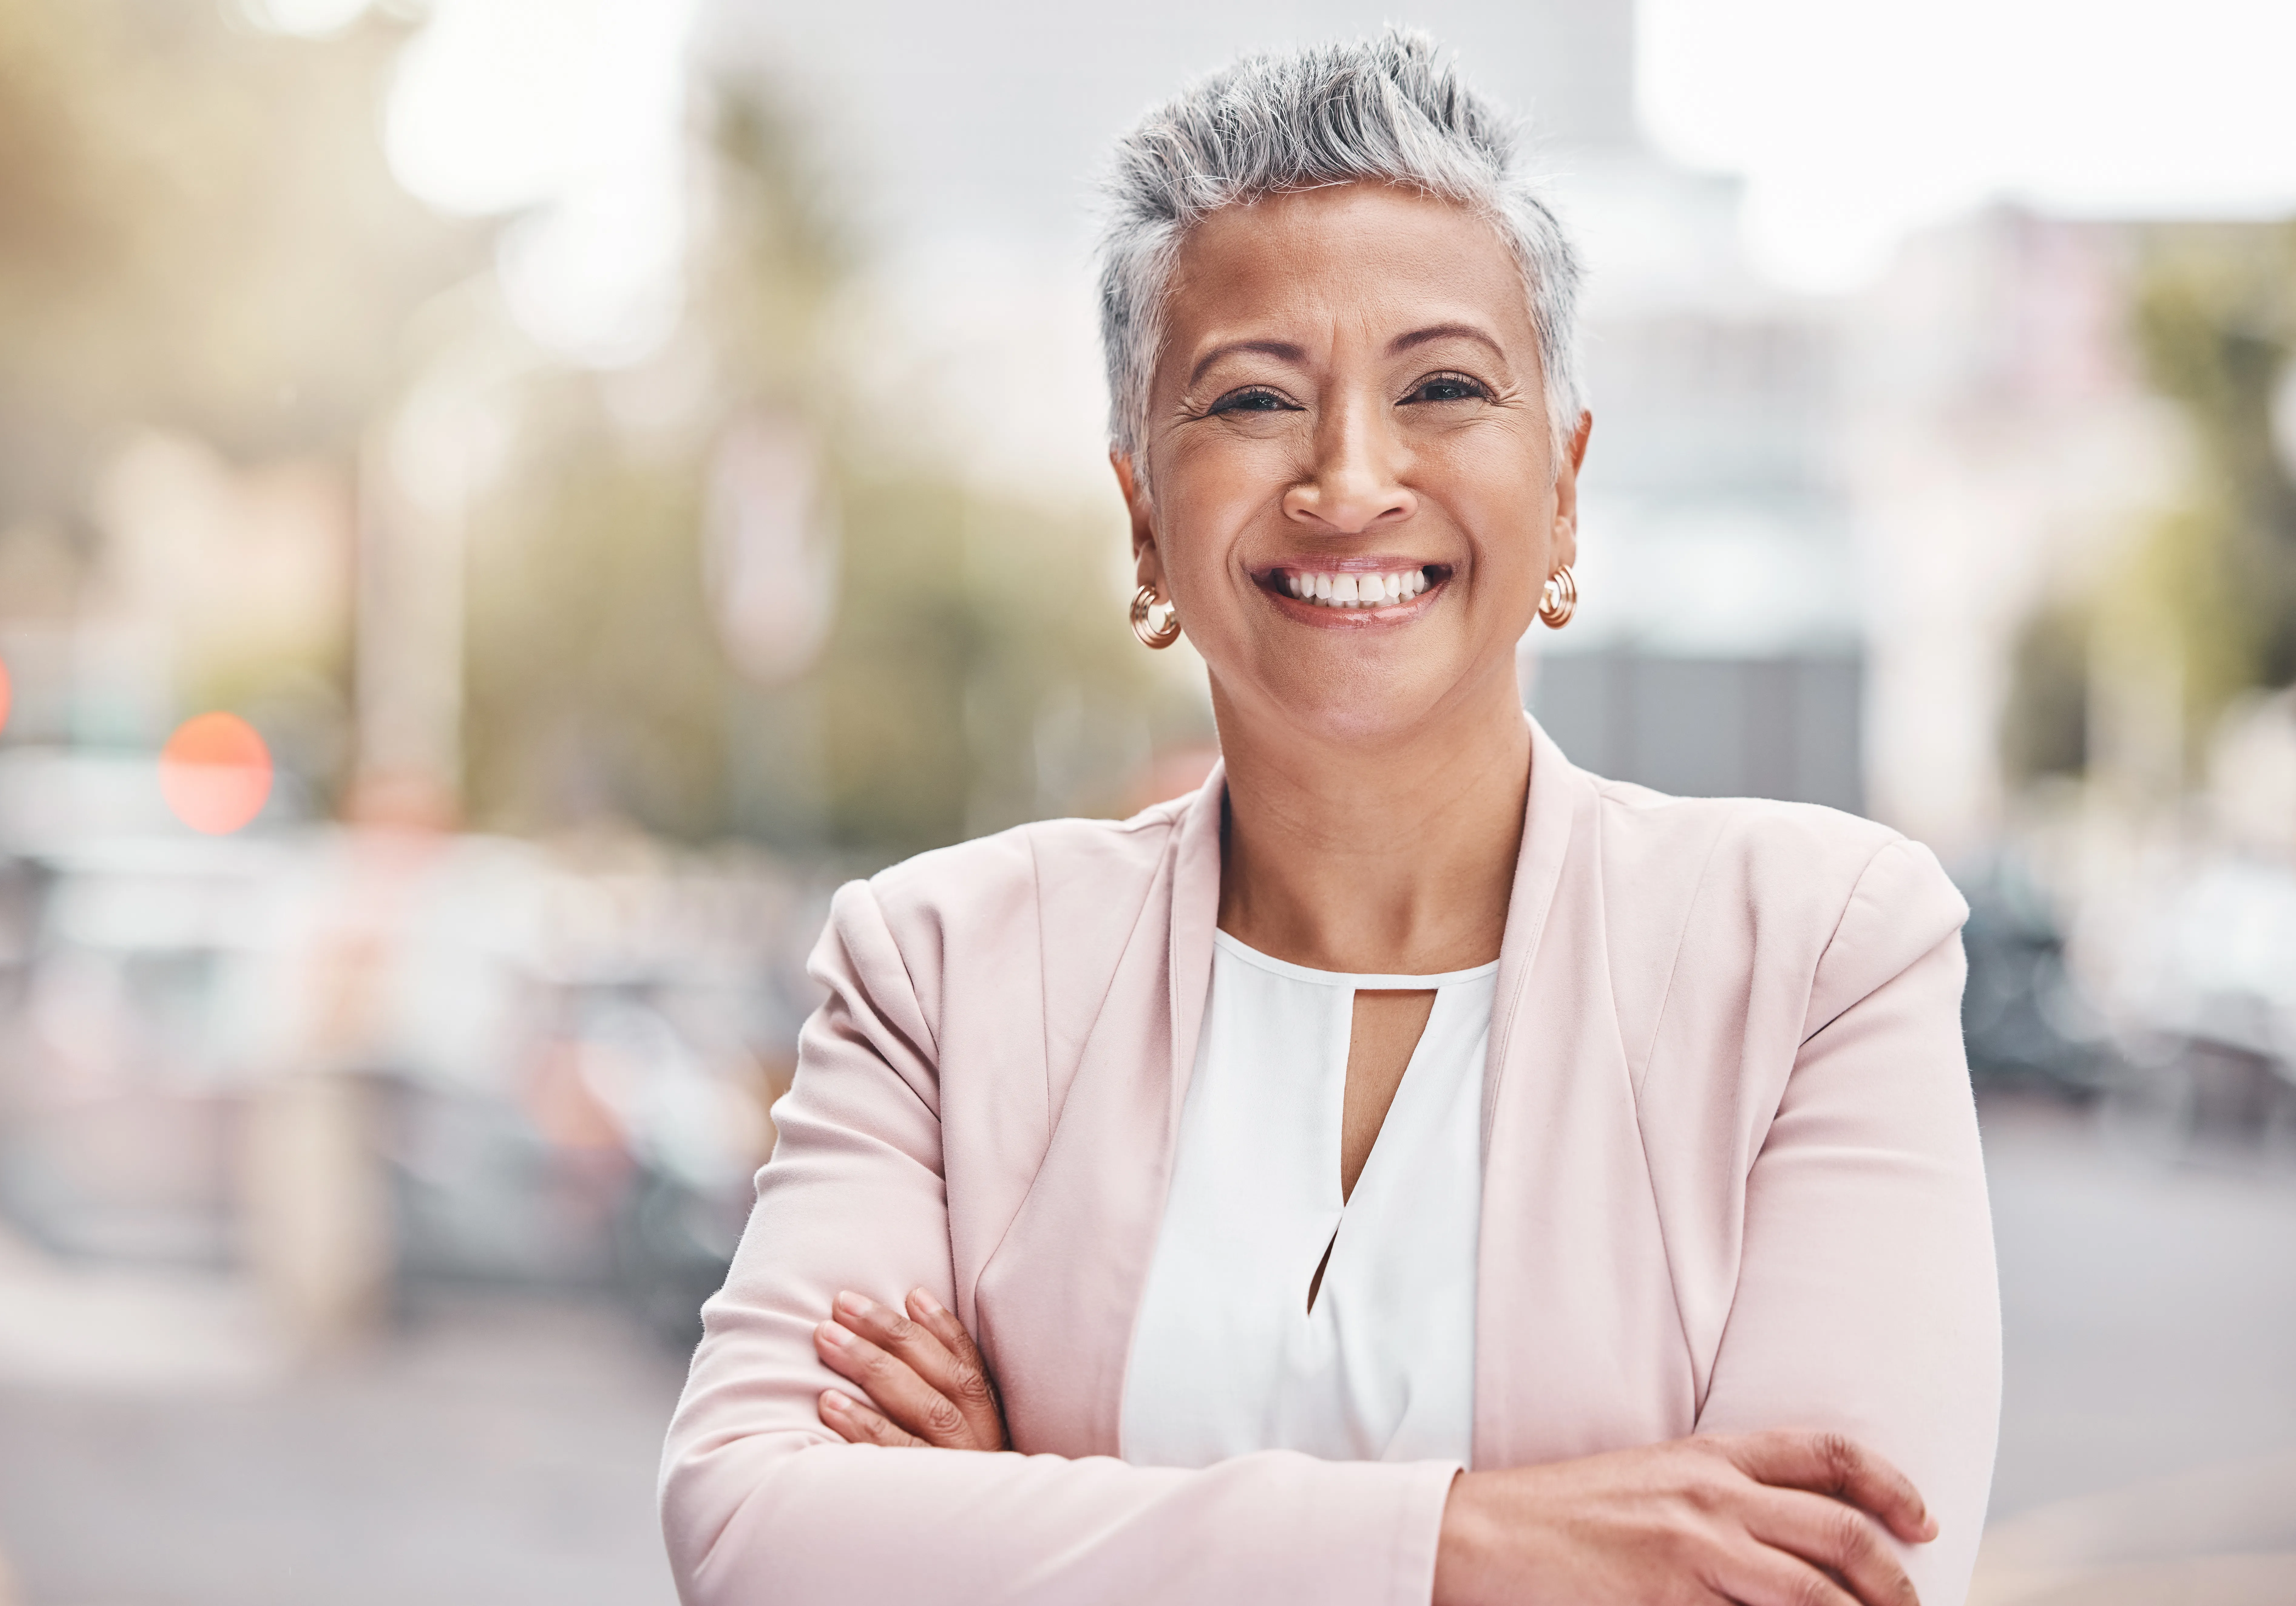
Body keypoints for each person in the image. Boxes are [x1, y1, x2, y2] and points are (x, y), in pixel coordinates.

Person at [660, 30, 1999, 1606]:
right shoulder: (941, 966)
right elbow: (756, 1531)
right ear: (1142, 515)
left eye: (1440, 385)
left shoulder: (1817, 945)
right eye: (1248, 399)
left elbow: (1830, 1579)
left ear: (1563, 487)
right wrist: (1469, 1542)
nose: (1349, 479)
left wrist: (1027, 1506)